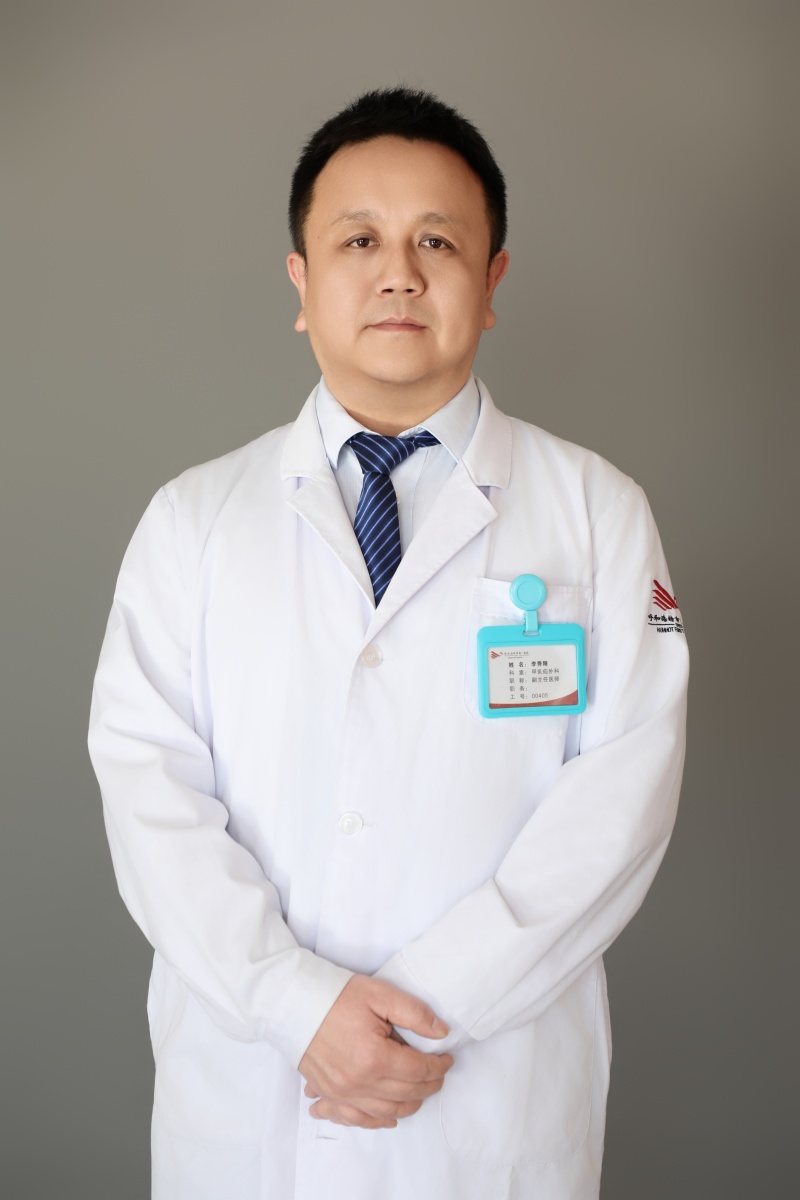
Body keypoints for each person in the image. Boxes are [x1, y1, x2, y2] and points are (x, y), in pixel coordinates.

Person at [88, 87, 689, 1200]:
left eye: (437, 242)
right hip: (253, 1095)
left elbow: (621, 798)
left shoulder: (597, 511)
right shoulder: (194, 519)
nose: (399, 273)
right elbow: (147, 790)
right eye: (358, 240)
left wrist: (423, 1011)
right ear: (301, 282)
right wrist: (296, 1005)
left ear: (491, 282)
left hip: (490, 1099)